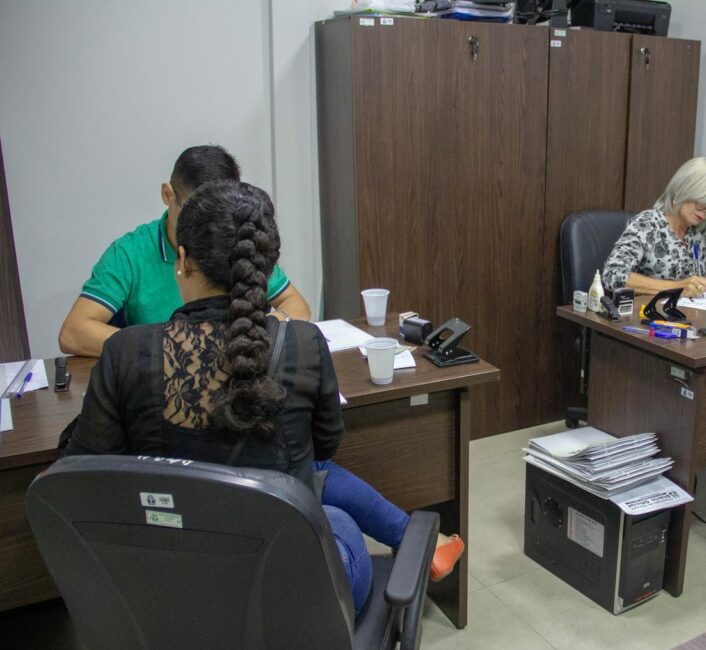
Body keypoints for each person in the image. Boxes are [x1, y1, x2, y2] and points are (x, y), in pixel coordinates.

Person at [63, 180, 463, 614]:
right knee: (337, 519)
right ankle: (415, 543)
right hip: (289, 597)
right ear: (264, 266)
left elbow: (83, 470)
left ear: (183, 260)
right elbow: (324, 448)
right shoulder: (303, 343)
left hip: (171, 598)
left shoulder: (123, 351)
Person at [58, 145, 311, 358]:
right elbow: (74, 332)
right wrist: (176, 347)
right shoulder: (129, 252)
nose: (208, 225)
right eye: (193, 210)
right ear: (167, 195)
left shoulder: (238, 239)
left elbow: (296, 305)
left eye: (221, 211)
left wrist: (260, 334)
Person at [602, 157, 706, 297]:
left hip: (687, 310)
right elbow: (612, 275)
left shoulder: (702, 233)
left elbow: (704, 283)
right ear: (683, 190)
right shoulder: (647, 225)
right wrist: (677, 288)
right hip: (646, 309)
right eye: (704, 202)